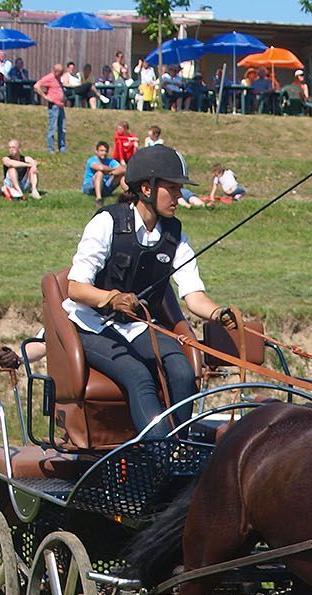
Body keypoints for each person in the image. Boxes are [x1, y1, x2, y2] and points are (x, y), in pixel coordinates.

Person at [43, 144, 237, 438]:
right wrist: (111, 298)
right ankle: (159, 455)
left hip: (135, 326)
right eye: (171, 189)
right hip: (90, 325)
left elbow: (194, 295)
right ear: (147, 188)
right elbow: (76, 288)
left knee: (182, 371)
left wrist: (218, 313)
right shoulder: (107, 222)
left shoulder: (174, 236)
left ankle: (179, 443)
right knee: (138, 376)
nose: (178, 196)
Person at [34, 62, 67, 153]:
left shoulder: (58, 79)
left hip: (60, 105)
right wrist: (45, 96)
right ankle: (50, 148)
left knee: (62, 128)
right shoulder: (49, 78)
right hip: (54, 106)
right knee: (52, 128)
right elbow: (37, 86)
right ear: (55, 71)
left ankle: (62, 148)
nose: (61, 75)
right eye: (60, 73)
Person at [82, 139, 124, 205]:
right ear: (96, 151)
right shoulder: (91, 160)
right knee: (99, 173)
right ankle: (99, 199)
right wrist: (113, 169)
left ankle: (130, 194)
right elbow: (100, 168)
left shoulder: (110, 161)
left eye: (105, 151)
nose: (104, 153)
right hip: (90, 188)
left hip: (105, 187)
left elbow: (123, 169)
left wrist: (111, 173)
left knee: (121, 175)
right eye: (101, 151)